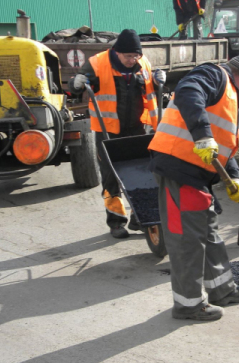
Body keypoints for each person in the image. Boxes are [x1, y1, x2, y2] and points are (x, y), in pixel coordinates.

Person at [148, 53, 239, 321]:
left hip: (196, 174)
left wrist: (235, 178)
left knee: (209, 233)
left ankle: (223, 290)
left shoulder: (230, 95)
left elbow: (223, 145)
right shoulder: (215, 75)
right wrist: (202, 135)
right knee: (187, 240)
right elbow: (188, 91)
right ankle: (188, 305)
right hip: (178, 169)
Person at [69, 29, 166, 239]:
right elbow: (76, 87)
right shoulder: (97, 64)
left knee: (142, 174)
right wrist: (75, 84)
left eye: (135, 56)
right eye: (128, 56)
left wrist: (158, 80)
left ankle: (140, 218)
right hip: (108, 132)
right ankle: (116, 222)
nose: (132, 60)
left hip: (137, 129)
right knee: (111, 178)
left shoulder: (143, 64)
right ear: (116, 52)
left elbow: (150, 89)